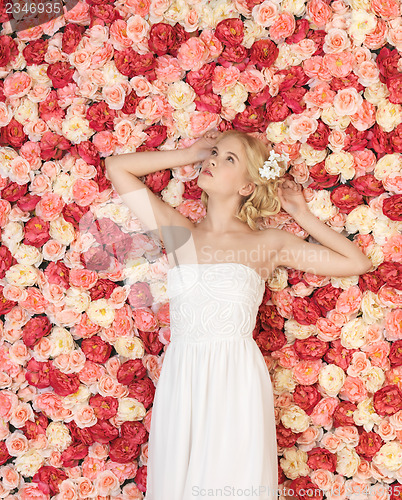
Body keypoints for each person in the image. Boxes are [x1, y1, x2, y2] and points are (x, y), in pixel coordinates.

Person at [105, 129, 372, 500]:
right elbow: (117, 167)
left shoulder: (267, 244)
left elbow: (357, 262)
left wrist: (300, 213)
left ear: (248, 186)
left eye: (228, 158)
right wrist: (190, 153)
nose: (213, 160)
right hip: (184, 379)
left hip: (238, 380)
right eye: (215, 152)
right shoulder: (180, 233)